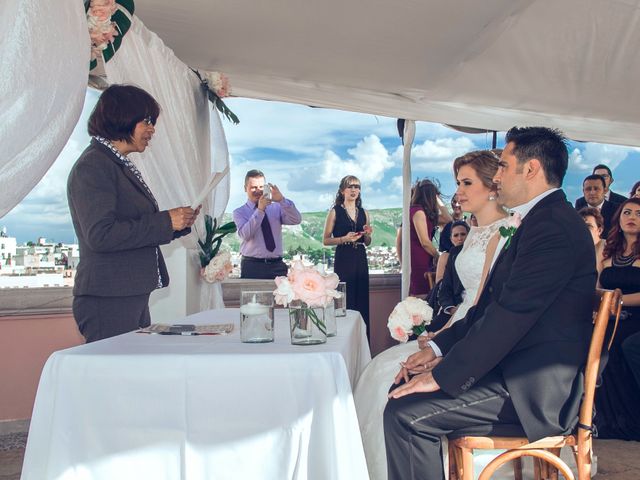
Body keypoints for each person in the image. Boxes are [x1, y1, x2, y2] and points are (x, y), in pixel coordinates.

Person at [384, 127, 596, 480]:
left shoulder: (554, 227)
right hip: (512, 369)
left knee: (406, 414)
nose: (497, 176)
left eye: (504, 165)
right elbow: (488, 308)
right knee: (400, 391)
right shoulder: (537, 222)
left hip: (534, 387)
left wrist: (442, 376)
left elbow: (511, 316)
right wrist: (437, 348)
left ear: (529, 170)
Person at [354, 150, 508, 480]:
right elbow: (464, 296)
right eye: (457, 183)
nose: (459, 192)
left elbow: (482, 304)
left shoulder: (505, 233)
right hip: (457, 324)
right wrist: (438, 333)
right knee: (379, 368)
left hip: (478, 332)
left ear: (493, 185)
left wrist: (444, 344)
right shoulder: (473, 230)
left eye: (467, 183)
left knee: (389, 378)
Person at [67, 85, 199, 343]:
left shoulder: (114, 164)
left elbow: (130, 227)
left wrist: (175, 224)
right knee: (113, 380)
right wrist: (165, 221)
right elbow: (101, 235)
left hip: (127, 295)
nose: (152, 130)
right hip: (109, 299)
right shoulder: (94, 165)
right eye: (147, 121)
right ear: (122, 117)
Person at [594, 198, 640, 440]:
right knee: (598, 343)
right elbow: (599, 286)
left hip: (637, 319)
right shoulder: (606, 250)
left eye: (638, 214)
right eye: (627, 212)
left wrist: (618, 301)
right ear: (618, 219)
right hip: (610, 317)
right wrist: (605, 303)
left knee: (624, 342)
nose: (631, 217)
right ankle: (611, 421)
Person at [323, 175, 373, 338]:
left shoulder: (364, 213)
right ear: (342, 190)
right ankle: (345, 339)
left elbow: (368, 242)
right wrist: (344, 238)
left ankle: (363, 342)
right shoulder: (335, 211)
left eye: (357, 187)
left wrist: (367, 234)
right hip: (343, 257)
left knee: (362, 300)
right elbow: (326, 239)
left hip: (360, 257)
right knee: (346, 298)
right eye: (350, 186)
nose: (354, 190)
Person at [233, 170, 302, 279]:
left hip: (277, 265)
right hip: (252, 266)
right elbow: (246, 235)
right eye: (254, 187)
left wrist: (282, 200)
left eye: (261, 187)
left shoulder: (276, 207)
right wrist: (260, 210)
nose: (258, 191)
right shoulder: (239, 212)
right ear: (245, 188)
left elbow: (296, 219)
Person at [408, 179, 452, 297]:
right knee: (421, 293)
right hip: (419, 257)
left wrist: (439, 201)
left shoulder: (426, 214)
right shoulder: (418, 212)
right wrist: (437, 256)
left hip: (425, 256)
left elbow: (448, 220)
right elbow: (425, 242)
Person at [576, 174, 617, 238]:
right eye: (588, 189)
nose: (592, 192)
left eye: (596, 189)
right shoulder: (575, 213)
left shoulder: (617, 210)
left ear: (605, 191)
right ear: (583, 191)